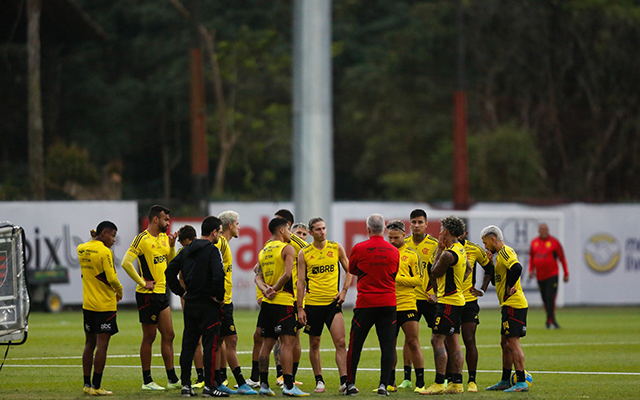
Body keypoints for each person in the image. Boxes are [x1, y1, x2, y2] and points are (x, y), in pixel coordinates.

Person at [165, 216, 228, 398]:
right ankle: (209, 387)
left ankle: (186, 386)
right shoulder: (212, 250)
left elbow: (169, 272)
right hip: (208, 305)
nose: (219, 236)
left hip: (191, 303)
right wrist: (220, 298)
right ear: (214, 232)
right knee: (210, 346)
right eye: (220, 232)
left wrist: (181, 292)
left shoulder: (186, 251)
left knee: (189, 345)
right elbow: (218, 276)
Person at [120, 205, 179, 391]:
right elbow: (126, 263)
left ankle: (172, 379)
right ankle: (147, 381)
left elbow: (170, 263)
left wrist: (171, 247)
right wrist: (142, 282)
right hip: (147, 295)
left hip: (162, 293)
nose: (168, 223)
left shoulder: (163, 238)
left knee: (169, 335)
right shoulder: (142, 239)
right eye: (165, 220)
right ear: (155, 220)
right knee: (150, 336)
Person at [345, 214, 399, 396]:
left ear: (368, 229)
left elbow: (352, 270)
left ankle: (350, 384)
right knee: (387, 345)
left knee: (355, 344)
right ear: (384, 229)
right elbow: (394, 272)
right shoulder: (394, 250)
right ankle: (384, 385)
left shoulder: (359, 248)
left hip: (365, 304)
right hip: (388, 304)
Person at [254, 217, 309, 397]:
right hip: (283, 301)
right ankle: (289, 385)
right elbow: (287, 274)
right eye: (288, 229)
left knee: (267, 344)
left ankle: (263, 385)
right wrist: (275, 290)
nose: (290, 233)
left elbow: (257, 277)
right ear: (282, 230)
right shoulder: (288, 248)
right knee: (287, 343)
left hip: (268, 305)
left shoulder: (264, 251)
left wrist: (265, 291)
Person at [296, 217, 352, 394]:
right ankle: (319, 380)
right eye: (318, 229)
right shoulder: (304, 253)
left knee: (341, 342)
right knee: (314, 344)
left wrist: (343, 291)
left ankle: (344, 381)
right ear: (311, 233)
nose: (322, 232)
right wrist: (300, 308)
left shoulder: (336, 248)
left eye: (324, 228)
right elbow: (300, 283)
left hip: (332, 304)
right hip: (312, 305)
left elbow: (350, 269)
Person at [420, 216, 471, 395]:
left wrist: (439, 251)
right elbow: (469, 269)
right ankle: (456, 383)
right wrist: (455, 285)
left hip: (448, 302)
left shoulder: (449, 254)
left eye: (442, 229)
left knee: (437, 340)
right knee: (453, 341)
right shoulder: (461, 249)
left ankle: (439, 383)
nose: (440, 232)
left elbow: (434, 271)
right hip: (457, 300)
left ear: (447, 232)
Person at [481, 225, 530, 393]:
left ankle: (521, 381)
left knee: (512, 342)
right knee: (505, 342)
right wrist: (491, 264)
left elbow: (517, 268)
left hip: (514, 304)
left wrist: (510, 286)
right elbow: (496, 282)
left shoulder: (505, 251)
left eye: (485, 242)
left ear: (493, 239)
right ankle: (504, 380)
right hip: (507, 305)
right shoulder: (499, 256)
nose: (485, 246)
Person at [215, 210, 257, 395]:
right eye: (238, 224)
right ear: (230, 225)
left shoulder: (225, 244)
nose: (239, 227)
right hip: (221, 301)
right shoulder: (220, 244)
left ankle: (217, 381)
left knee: (221, 342)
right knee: (229, 340)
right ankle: (239, 382)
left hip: (226, 300)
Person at [79, 221, 122, 396]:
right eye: (112, 236)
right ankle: (97, 386)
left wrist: (93, 239)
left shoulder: (82, 248)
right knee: (102, 346)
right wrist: (119, 291)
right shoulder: (106, 252)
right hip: (104, 305)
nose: (114, 240)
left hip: (88, 305)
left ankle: (87, 384)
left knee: (89, 343)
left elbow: (91, 249)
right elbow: (111, 277)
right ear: (104, 233)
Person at [400, 209, 438, 389]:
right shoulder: (403, 244)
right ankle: (407, 378)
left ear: (426, 224)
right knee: (409, 339)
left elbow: (441, 271)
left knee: (438, 337)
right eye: (413, 222)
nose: (416, 225)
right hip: (410, 298)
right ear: (409, 223)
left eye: (420, 222)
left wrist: (437, 293)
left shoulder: (434, 244)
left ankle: (442, 377)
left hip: (430, 298)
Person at [386, 220, 425, 393]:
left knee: (413, 342)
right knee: (389, 344)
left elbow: (418, 280)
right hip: (389, 305)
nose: (393, 241)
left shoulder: (411, 254)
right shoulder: (386, 253)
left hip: (408, 304)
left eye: (396, 237)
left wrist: (397, 278)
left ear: (404, 235)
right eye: (390, 238)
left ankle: (420, 383)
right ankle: (390, 382)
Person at [454, 230, 494, 392]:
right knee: (450, 341)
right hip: (451, 301)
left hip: (469, 301)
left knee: (469, 339)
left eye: (460, 231)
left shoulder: (475, 249)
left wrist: (482, 289)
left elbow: (490, 269)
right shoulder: (445, 249)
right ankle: (452, 379)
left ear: (465, 233)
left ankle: (472, 381)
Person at [176, 225, 206, 389]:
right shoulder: (182, 254)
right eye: (183, 246)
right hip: (191, 301)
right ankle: (200, 377)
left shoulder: (206, 251)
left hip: (206, 301)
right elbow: (179, 276)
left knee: (211, 339)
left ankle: (216, 377)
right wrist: (183, 296)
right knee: (195, 341)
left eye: (187, 245)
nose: (185, 249)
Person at [529, 223, 569, 329]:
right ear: (539, 231)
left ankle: (548, 320)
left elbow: (562, 258)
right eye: (541, 229)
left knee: (550, 297)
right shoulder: (534, 242)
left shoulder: (554, 243)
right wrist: (530, 270)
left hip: (552, 274)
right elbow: (531, 257)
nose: (543, 231)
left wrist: (566, 273)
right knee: (545, 298)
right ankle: (553, 319)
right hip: (540, 275)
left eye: (545, 229)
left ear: (548, 230)